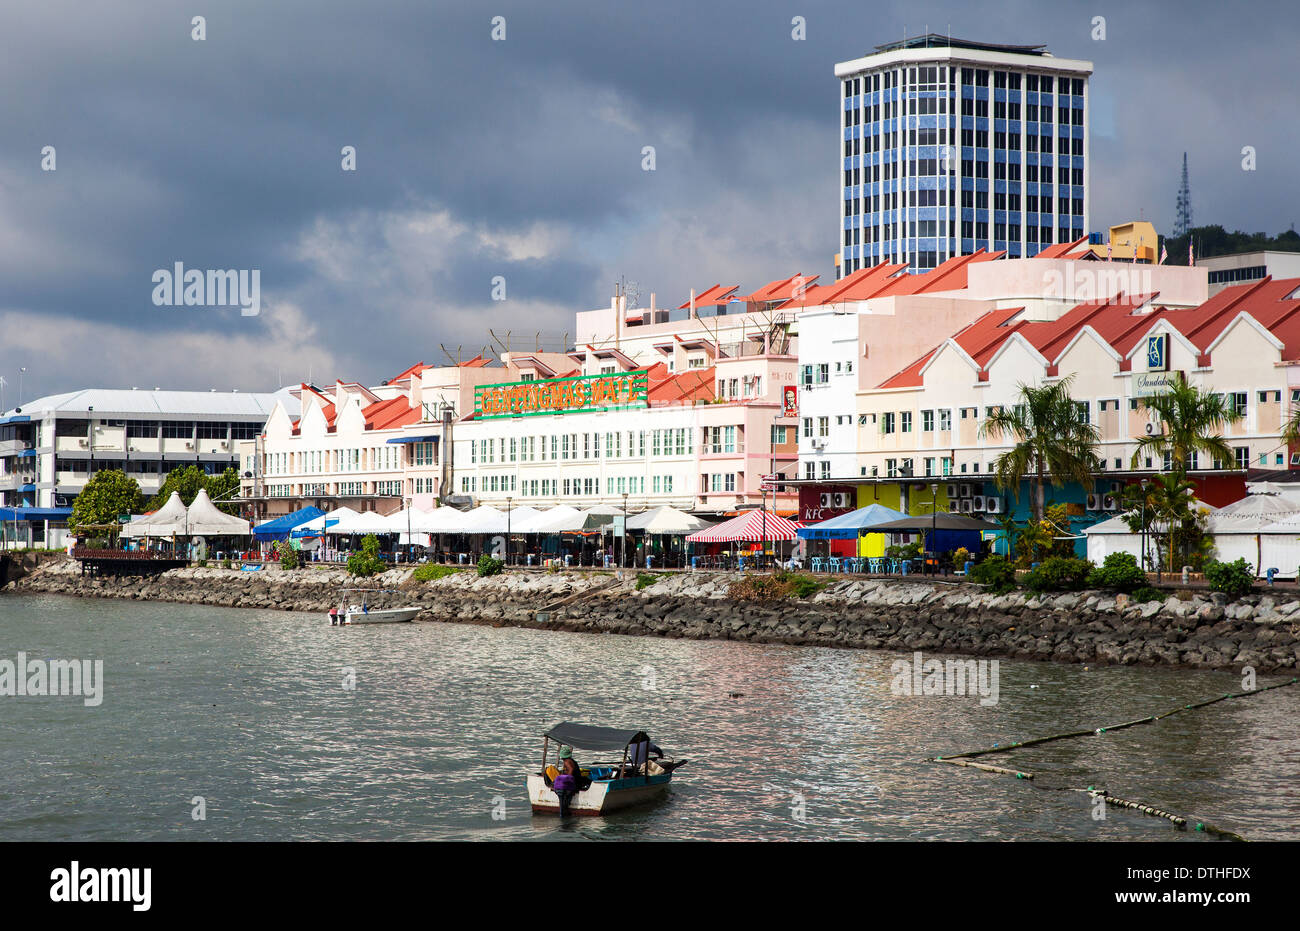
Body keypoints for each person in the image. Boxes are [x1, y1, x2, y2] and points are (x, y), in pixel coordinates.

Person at [549, 746, 588, 816]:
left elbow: (571, 770)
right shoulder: (571, 761)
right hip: (578, 781)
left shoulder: (566, 761)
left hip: (574, 782)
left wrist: (567, 779)